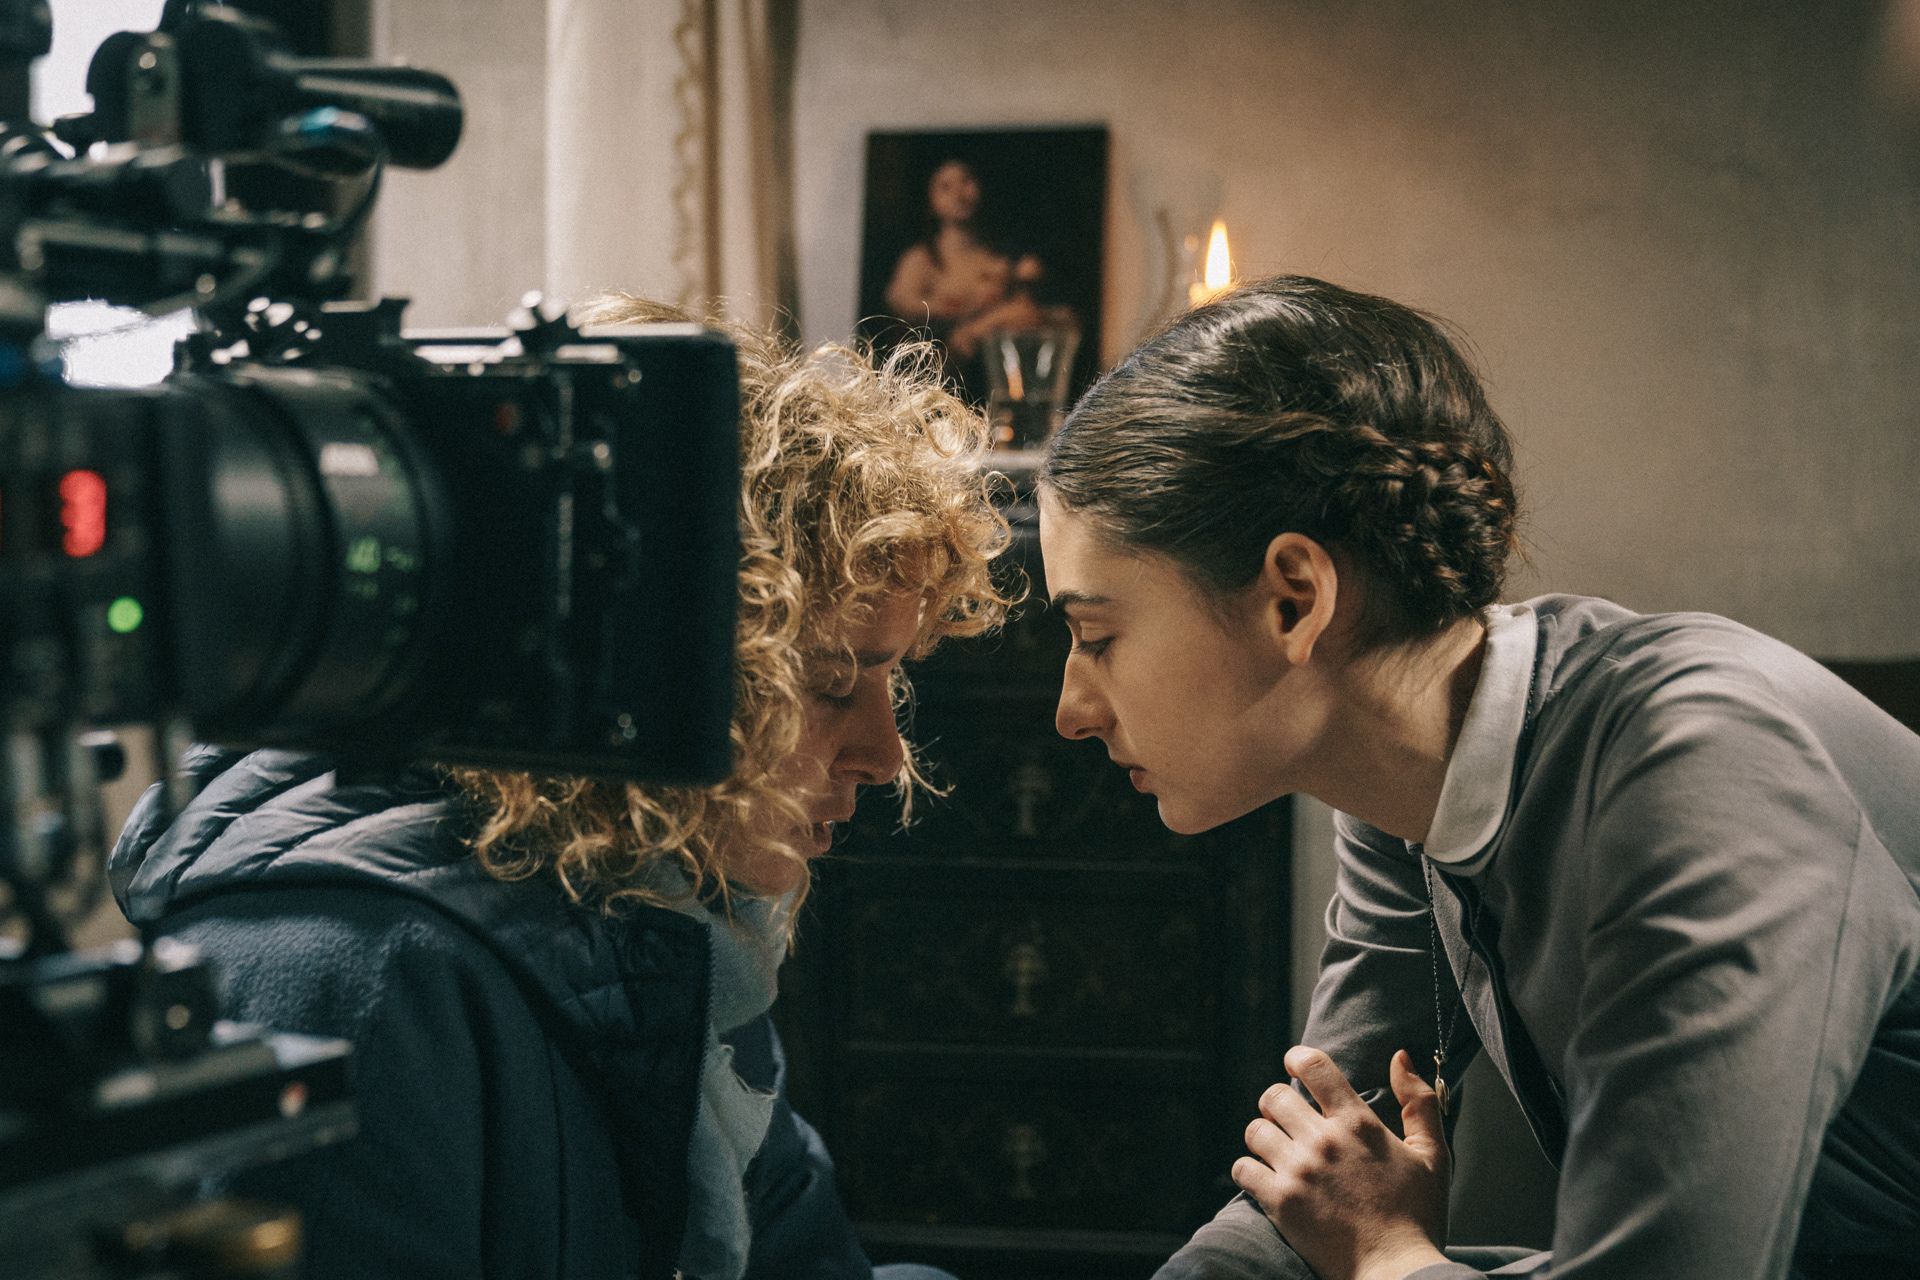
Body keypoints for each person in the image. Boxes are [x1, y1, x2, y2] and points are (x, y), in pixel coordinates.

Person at [109, 298, 1014, 1280]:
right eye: (833, 680)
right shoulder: (359, 980)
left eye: (890, 679)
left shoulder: (668, 912)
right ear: (650, 662)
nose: (884, 752)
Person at [1036, 275, 1920, 1280]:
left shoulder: (1705, 766)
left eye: (1096, 636)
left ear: (1294, 598)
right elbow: (1312, 1184)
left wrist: (1388, 1257)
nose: (1071, 709)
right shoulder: (1403, 798)